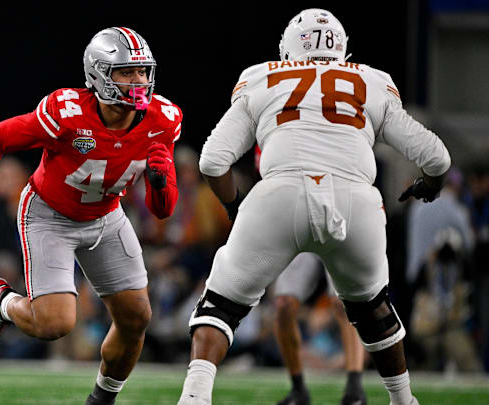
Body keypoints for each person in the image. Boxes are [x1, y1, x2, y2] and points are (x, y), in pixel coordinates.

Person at [177, 9, 450, 405]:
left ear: (289, 47)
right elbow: (438, 159)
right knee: (372, 308)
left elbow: (212, 162)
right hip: (355, 200)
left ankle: (195, 396)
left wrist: (236, 207)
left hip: (280, 193)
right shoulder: (372, 81)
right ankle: (403, 399)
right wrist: (430, 186)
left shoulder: (262, 76)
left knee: (221, 304)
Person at [0, 27, 182, 405]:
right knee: (55, 324)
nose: (139, 81)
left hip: (106, 216)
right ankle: (0, 302)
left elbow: (163, 210)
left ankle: (102, 398)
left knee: (135, 319)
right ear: (98, 73)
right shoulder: (66, 112)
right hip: (50, 214)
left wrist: (161, 182)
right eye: (127, 72)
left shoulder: (163, 118)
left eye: (143, 71)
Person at [272, 253, 366, 405]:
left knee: (343, 302)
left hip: (336, 231)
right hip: (300, 230)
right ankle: (298, 389)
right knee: (284, 304)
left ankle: (354, 387)